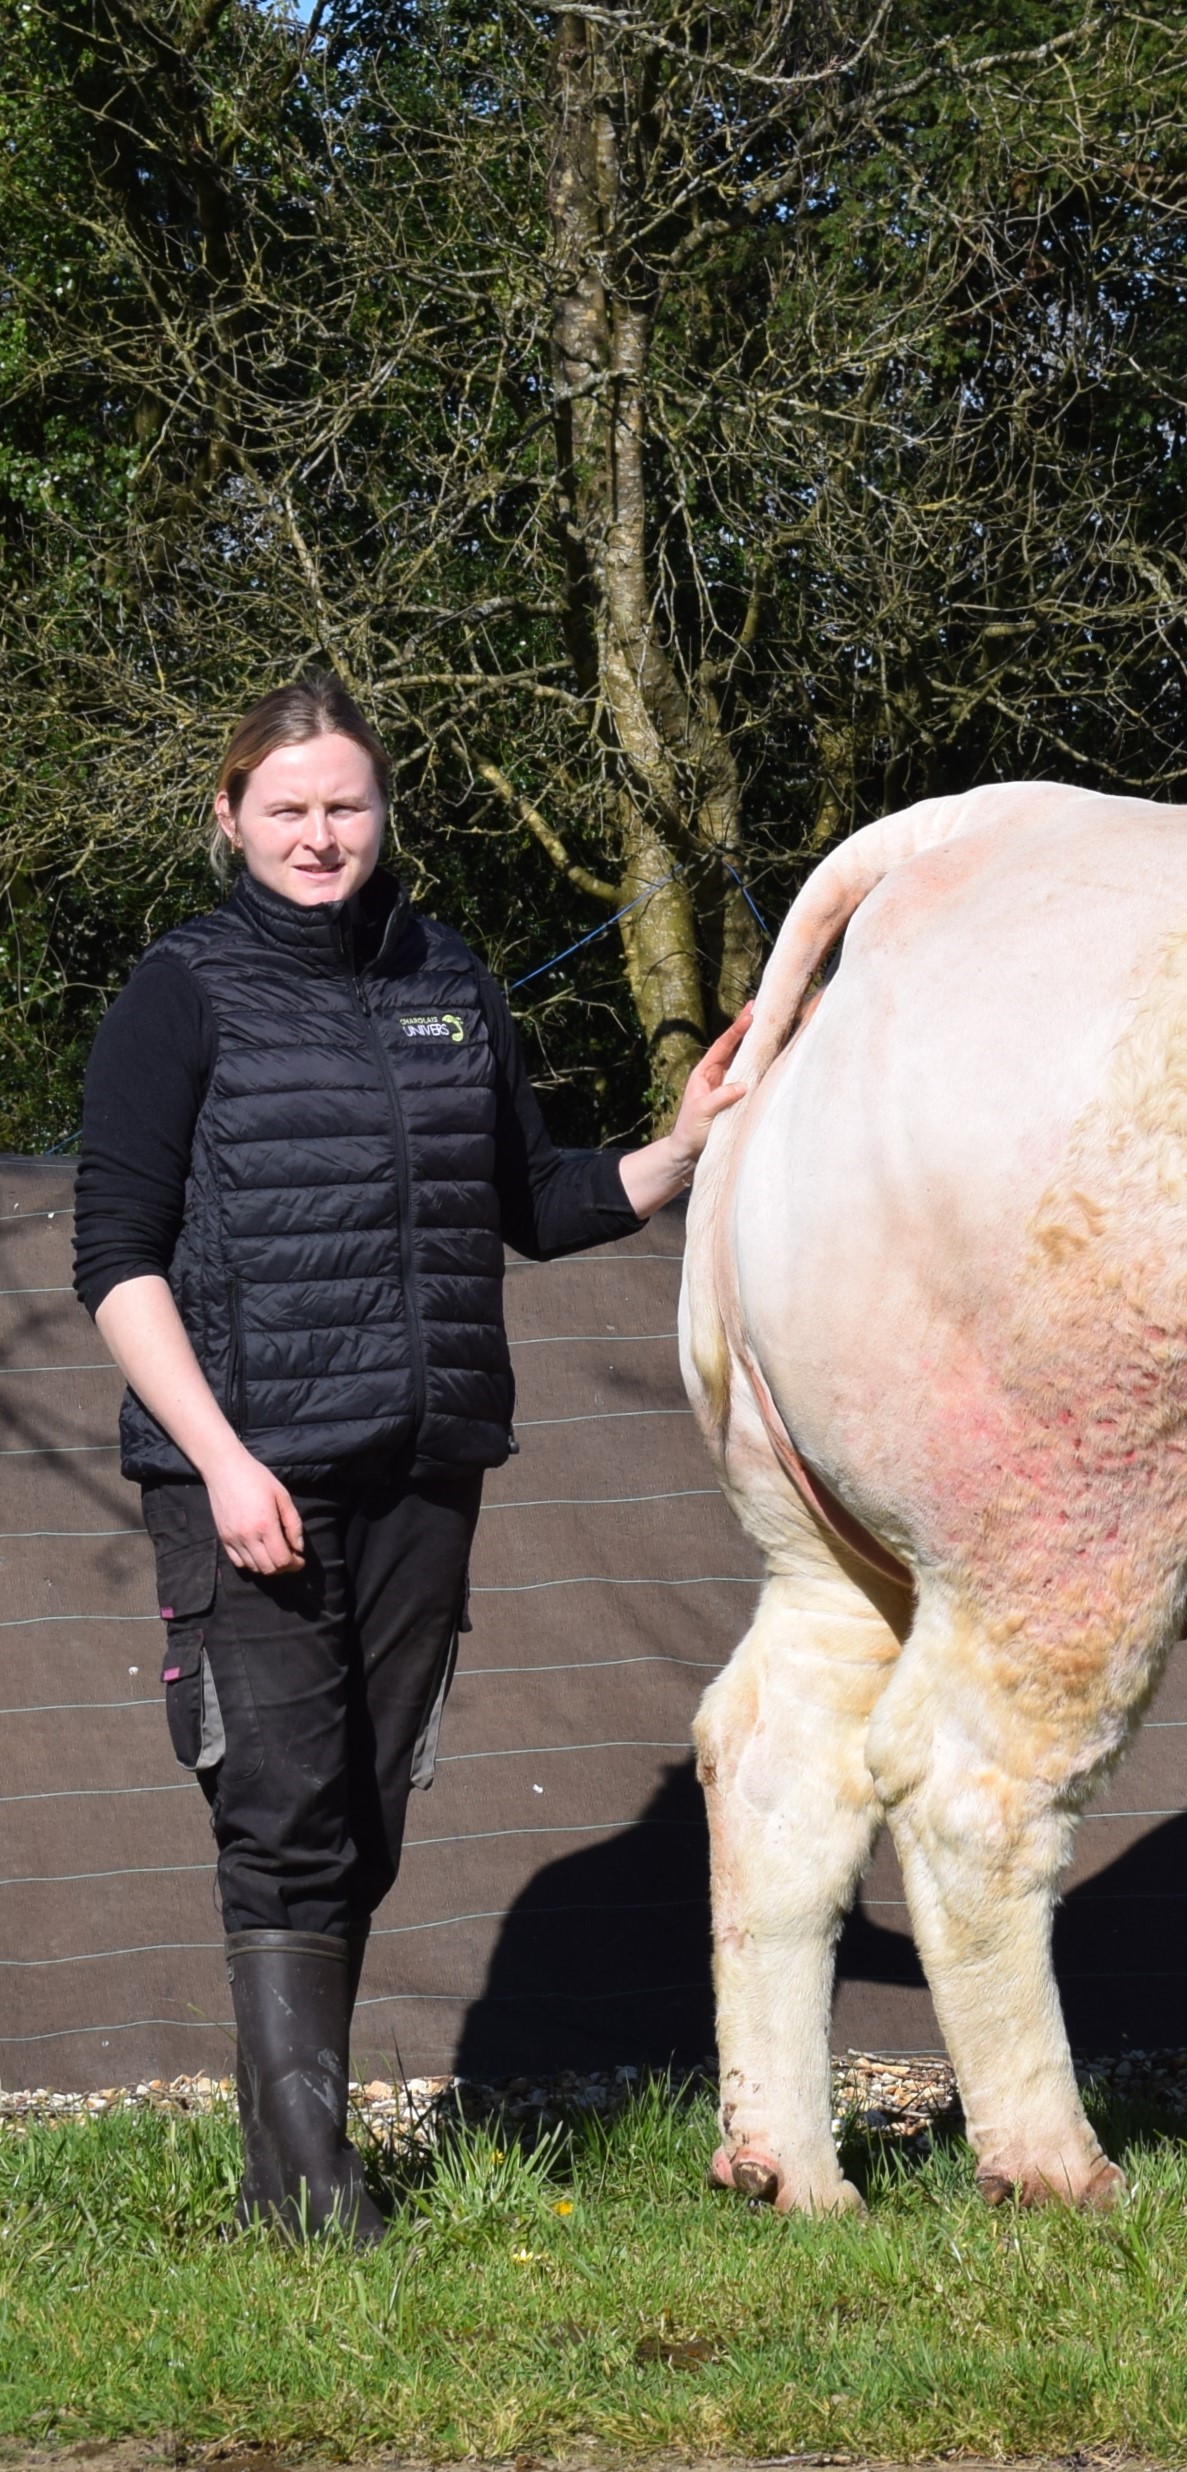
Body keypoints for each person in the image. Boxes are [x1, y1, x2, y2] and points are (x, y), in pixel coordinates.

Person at [73, 675, 748, 2240]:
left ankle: (282, 2181)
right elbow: (115, 1259)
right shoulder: (184, 991)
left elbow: (531, 1198)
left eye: (347, 806)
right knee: (282, 1808)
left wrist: (685, 1141)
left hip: (428, 1467)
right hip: (250, 1471)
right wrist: (225, 1464)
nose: (321, 835)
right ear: (232, 818)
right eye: (290, 809)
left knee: (367, 1810)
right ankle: (310, 2195)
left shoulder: (454, 978)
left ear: (386, 815)